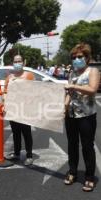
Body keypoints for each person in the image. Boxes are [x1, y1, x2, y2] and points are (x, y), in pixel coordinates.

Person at [64, 43, 100, 192]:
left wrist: (74, 87)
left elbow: (92, 89)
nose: (76, 59)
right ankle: (72, 172)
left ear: (86, 57)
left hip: (86, 116)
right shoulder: (72, 73)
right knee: (72, 145)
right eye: (74, 57)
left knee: (87, 146)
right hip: (71, 115)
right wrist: (64, 108)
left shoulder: (93, 71)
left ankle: (89, 177)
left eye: (80, 57)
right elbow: (68, 94)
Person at [4, 55, 35, 166]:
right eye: (15, 61)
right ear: (13, 63)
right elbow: (5, 93)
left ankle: (29, 155)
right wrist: (4, 105)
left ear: (23, 62)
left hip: (25, 110)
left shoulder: (29, 75)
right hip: (13, 110)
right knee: (15, 133)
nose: (17, 63)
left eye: (19, 61)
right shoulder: (9, 77)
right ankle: (17, 153)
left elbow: (34, 92)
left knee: (26, 133)